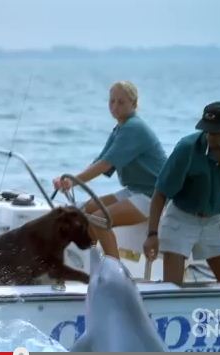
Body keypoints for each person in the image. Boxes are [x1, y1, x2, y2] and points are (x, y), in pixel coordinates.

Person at [143, 101, 220, 285]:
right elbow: (160, 193)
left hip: (214, 221)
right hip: (180, 219)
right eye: (207, 130)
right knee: (173, 288)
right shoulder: (187, 148)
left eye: (216, 132)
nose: (210, 136)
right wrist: (152, 234)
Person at [53, 81, 167, 259]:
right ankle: (91, 265)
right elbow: (99, 160)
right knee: (86, 209)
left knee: (98, 220)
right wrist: (69, 181)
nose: (115, 106)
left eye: (121, 102)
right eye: (112, 101)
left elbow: (105, 165)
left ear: (134, 104)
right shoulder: (120, 128)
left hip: (154, 196)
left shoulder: (134, 128)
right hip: (135, 190)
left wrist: (71, 182)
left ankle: (115, 273)